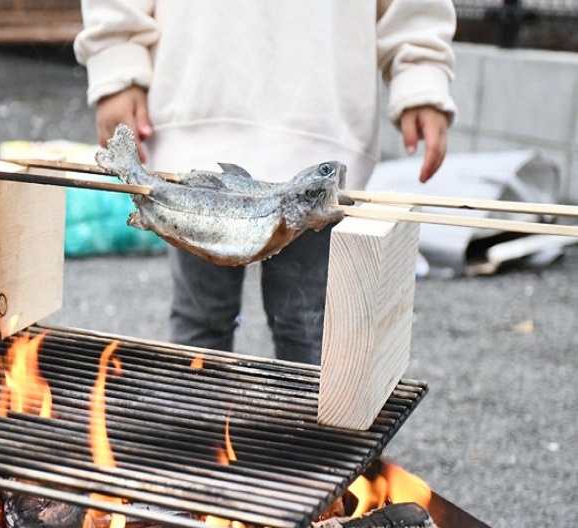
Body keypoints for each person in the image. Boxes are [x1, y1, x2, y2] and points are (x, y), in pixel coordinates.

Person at [75, 1, 456, 363]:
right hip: (193, 129)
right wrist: (116, 64)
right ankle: (195, 431)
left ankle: (307, 434)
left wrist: (421, 72)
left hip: (318, 129)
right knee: (202, 323)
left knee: (306, 328)